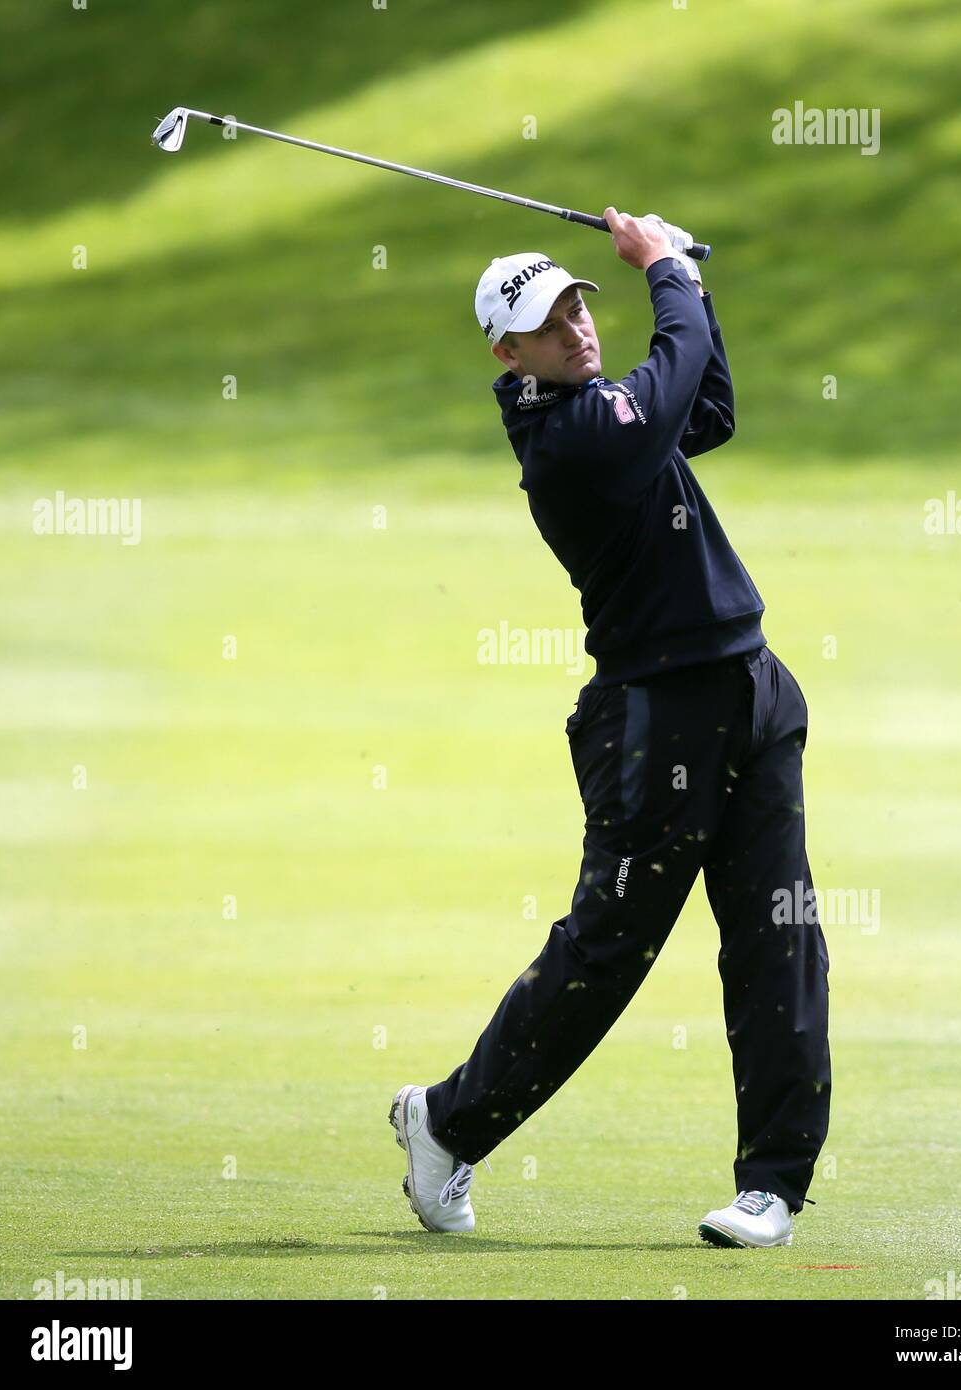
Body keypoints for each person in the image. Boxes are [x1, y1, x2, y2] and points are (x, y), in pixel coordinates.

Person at [389, 208, 831, 1249]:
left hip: (752, 691)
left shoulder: (609, 406)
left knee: (779, 938)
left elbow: (704, 404)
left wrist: (693, 294)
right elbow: (668, 381)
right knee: (608, 949)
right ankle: (444, 1123)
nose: (579, 327)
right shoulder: (569, 441)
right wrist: (667, 268)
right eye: (551, 322)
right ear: (510, 353)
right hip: (656, 719)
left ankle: (770, 1183)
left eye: (581, 303)